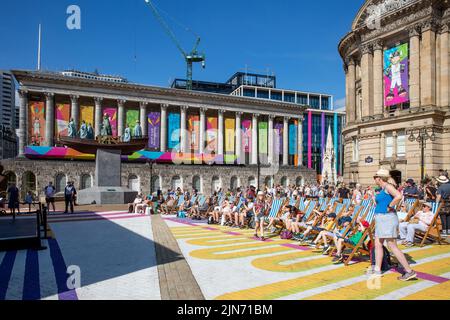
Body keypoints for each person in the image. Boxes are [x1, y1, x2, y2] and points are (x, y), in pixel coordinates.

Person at [372, 168, 417, 281]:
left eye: (375, 177)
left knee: (392, 245)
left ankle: (409, 271)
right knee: (378, 244)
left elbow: (398, 196)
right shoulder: (383, 188)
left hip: (387, 218)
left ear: (379, 178)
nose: (374, 179)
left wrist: (390, 206)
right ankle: (377, 269)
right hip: (382, 218)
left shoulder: (388, 187)